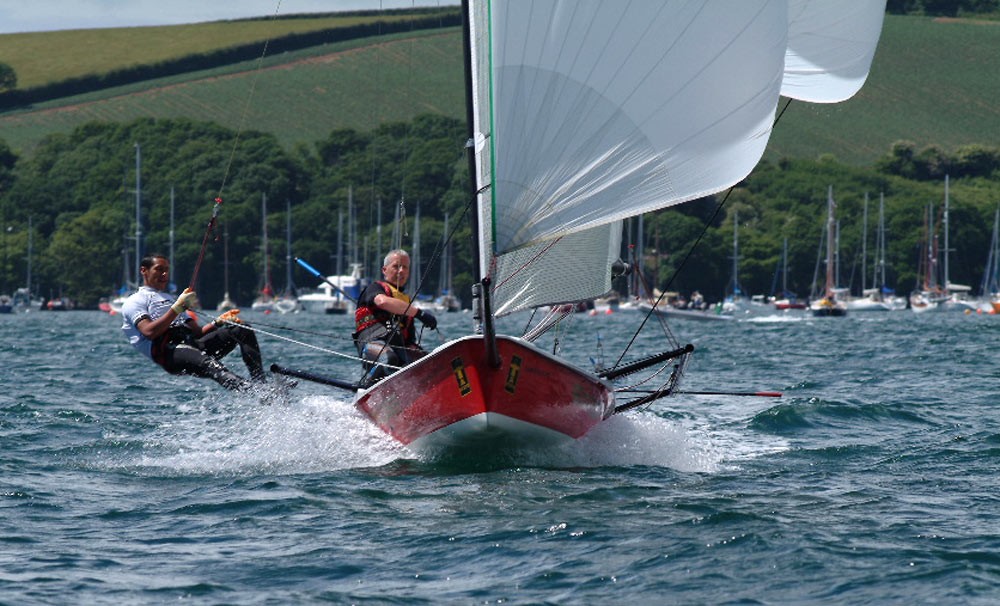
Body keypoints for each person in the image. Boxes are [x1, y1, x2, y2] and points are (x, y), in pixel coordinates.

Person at [121, 253, 267, 390]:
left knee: (242, 329)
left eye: (166, 270)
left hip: (193, 344)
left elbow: (198, 333)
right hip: (169, 353)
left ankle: (261, 384)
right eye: (159, 269)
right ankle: (257, 394)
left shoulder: (169, 298)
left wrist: (218, 322)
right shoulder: (134, 301)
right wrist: (177, 308)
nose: (164, 274)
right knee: (212, 365)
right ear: (144, 270)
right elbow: (149, 332)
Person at [353, 249, 437, 387]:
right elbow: (382, 302)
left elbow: (409, 341)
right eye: (396, 266)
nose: (401, 271)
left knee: (428, 364)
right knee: (389, 358)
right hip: (372, 345)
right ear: (384, 270)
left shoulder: (406, 302)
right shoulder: (375, 288)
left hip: (398, 349)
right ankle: (367, 388)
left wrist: (426, 358)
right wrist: (420, 314)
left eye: (405, 267)